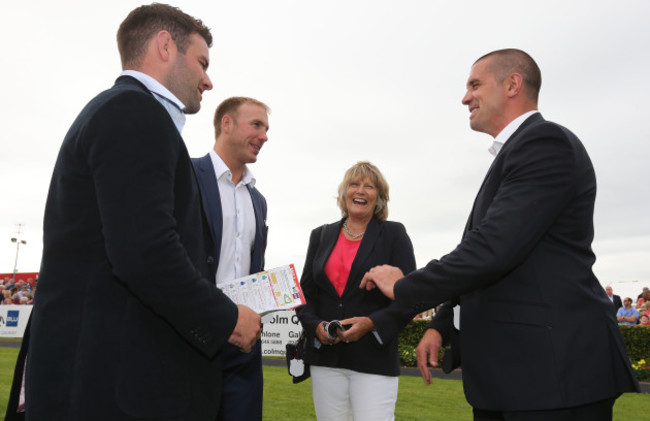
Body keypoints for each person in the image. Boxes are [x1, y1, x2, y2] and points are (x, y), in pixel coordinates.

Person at [5, 4, 261, 421]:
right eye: (201, 63)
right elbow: (145, 252)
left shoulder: (122, 112)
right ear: (165, 46)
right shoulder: (134, 113)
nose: (208, 80)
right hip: (109, 386)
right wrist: (226, 320)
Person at [354, 49, 639, 420]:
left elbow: (491, 251)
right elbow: (483, 254)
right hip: (515, 378)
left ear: (512, 84)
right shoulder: (514, 155)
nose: (465, 97)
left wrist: (404, 286)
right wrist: (441, 323)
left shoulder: (544, 143)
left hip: (552, 377)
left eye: (475, 84)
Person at [295, 161, 416, 421]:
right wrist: (316, 326)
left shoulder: (394, 234)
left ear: (380, 198)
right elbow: (304, 296)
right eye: (354, 184)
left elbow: (410, 297)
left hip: (373, 359)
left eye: (369, 186)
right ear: (344, 193)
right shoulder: (321, 235)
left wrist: (372, 323)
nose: (360, 190)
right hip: (326, 359)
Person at [192, 96, 270, 421]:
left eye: (266, 129)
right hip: (192, 343)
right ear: (226, 124)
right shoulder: (186, 176)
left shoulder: (259, 200)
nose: (264, 136)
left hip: (243, 352)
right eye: (257, 125)